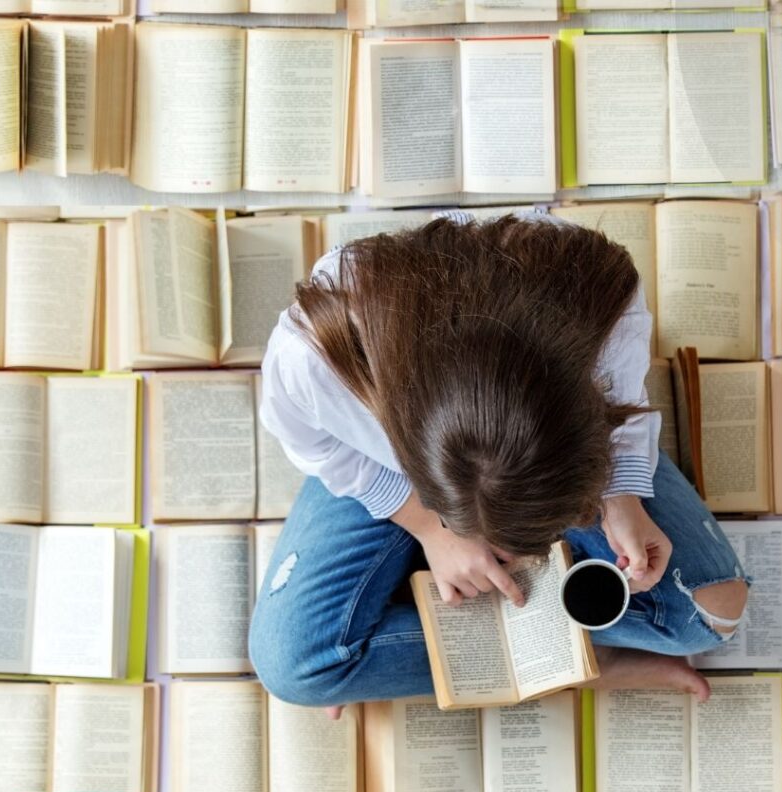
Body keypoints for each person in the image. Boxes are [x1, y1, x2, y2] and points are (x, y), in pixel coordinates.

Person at [249, 210, 750, 719]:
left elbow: (620, 399)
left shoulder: (598, 299)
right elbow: (318, 446)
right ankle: (573, 658)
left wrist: (621, 494)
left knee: (707, 615)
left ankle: (559, 656)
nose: (509, 554)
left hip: (537, 447)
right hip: (388, 477)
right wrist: (429, 528)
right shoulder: (310, 356)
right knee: (297, 667)